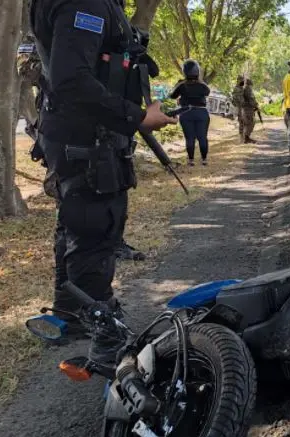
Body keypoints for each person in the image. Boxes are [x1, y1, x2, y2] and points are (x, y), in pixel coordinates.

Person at [32, 0, 176, 365]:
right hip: (88, 140)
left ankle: (70, 313)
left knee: (74, 224)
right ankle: (108, 342)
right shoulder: (86, 2)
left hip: (79, 136)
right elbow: (72, 80)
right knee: (97, 229)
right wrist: (138, 116)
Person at [170, 59, 211, 166]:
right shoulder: (202, 85)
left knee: (190, 138)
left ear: (184, 71)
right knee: (202, 137)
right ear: (197, 71)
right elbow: (207, 92)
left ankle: (191, 160)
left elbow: (172, 95)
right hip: (201, 112)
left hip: (186, 112)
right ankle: (204, 159)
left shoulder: (181, 84)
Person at [241, 79, 262, 143]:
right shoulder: (247, 89)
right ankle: (246, 138)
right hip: (248, 109)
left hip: (245, 108)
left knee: (247, 123)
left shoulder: (244, 89)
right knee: (250, 123)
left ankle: (246, 138)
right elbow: (251, 99)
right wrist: (256, 106)